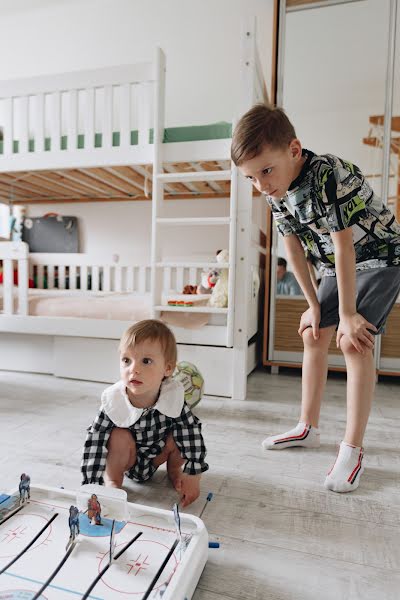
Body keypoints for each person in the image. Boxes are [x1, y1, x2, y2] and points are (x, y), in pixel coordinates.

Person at [231, 103, 400, 493]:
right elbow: (292, 249)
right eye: (251, 178)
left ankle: (352, 449)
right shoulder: (275, 191)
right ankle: (307, 427)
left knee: (352, 341)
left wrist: (346, 314)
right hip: (333, 265)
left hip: (380, 255)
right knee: (313, 334)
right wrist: (312, 305)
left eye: (266, 171)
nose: (261, 185)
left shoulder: (328, 174)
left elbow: (345, 247)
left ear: (294, 149)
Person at [81, 319, 208, 507]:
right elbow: (95, 441)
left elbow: (191, 432)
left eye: (146, 361)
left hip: (158, 455)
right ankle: (113, 481)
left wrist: (194, 473)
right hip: (128, 459)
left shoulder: (172, 398)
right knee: (117, 436)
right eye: (126, 360)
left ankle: (174, 471)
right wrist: (91, 484)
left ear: (168, 369)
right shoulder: (114, 401)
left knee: (181, 434)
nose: (134, 369)